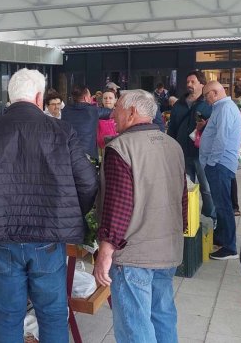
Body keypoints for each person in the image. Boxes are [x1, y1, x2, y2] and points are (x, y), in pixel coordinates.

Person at [0, 68, 98, 343]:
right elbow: (88, 182)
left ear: (11, 96)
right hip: (47, 238)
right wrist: (69, 213)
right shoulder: (62, 131)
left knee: (7, 314)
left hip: (1, 237)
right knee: (52, 314)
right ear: (39, 98)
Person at [93, 89, 188, 343]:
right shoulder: (173, 146)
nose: (112, 115)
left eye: (117, 109)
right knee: (162, 315)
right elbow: (182, 198)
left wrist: (105, 252)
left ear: (132, 112)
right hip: (168, 249)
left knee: (135, 325)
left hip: (134, 255)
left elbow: (118, 205)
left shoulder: (120, 148)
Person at [199, 81, 241, 260]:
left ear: (215, 93)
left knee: (223, 206)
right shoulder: (221, 108)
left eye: (206, 95)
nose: (205, 99)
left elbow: (221, 138)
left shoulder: (225, 108)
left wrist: (211, 162)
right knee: (220, 204)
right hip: (219, 164)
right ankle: (222, 238)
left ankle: (230, 248)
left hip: (219, 165)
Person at [167, 70, 215, 222]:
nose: (189, 84)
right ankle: (188, 218)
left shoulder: (208, 104)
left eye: (193, 82)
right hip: (183, 153)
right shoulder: (179, 105)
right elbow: (172, 129)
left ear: (202, 84)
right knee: (187, 188)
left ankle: (210, 218)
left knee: (206, 188)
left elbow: (214, 128)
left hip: (202, 153)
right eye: (187, 82)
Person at [61, 85, 112, 160]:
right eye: (90, 96)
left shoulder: (65, 110)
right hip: (87, 156)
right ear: (85, 98)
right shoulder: (93, 110)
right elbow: (111, 113)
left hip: (68, 154)